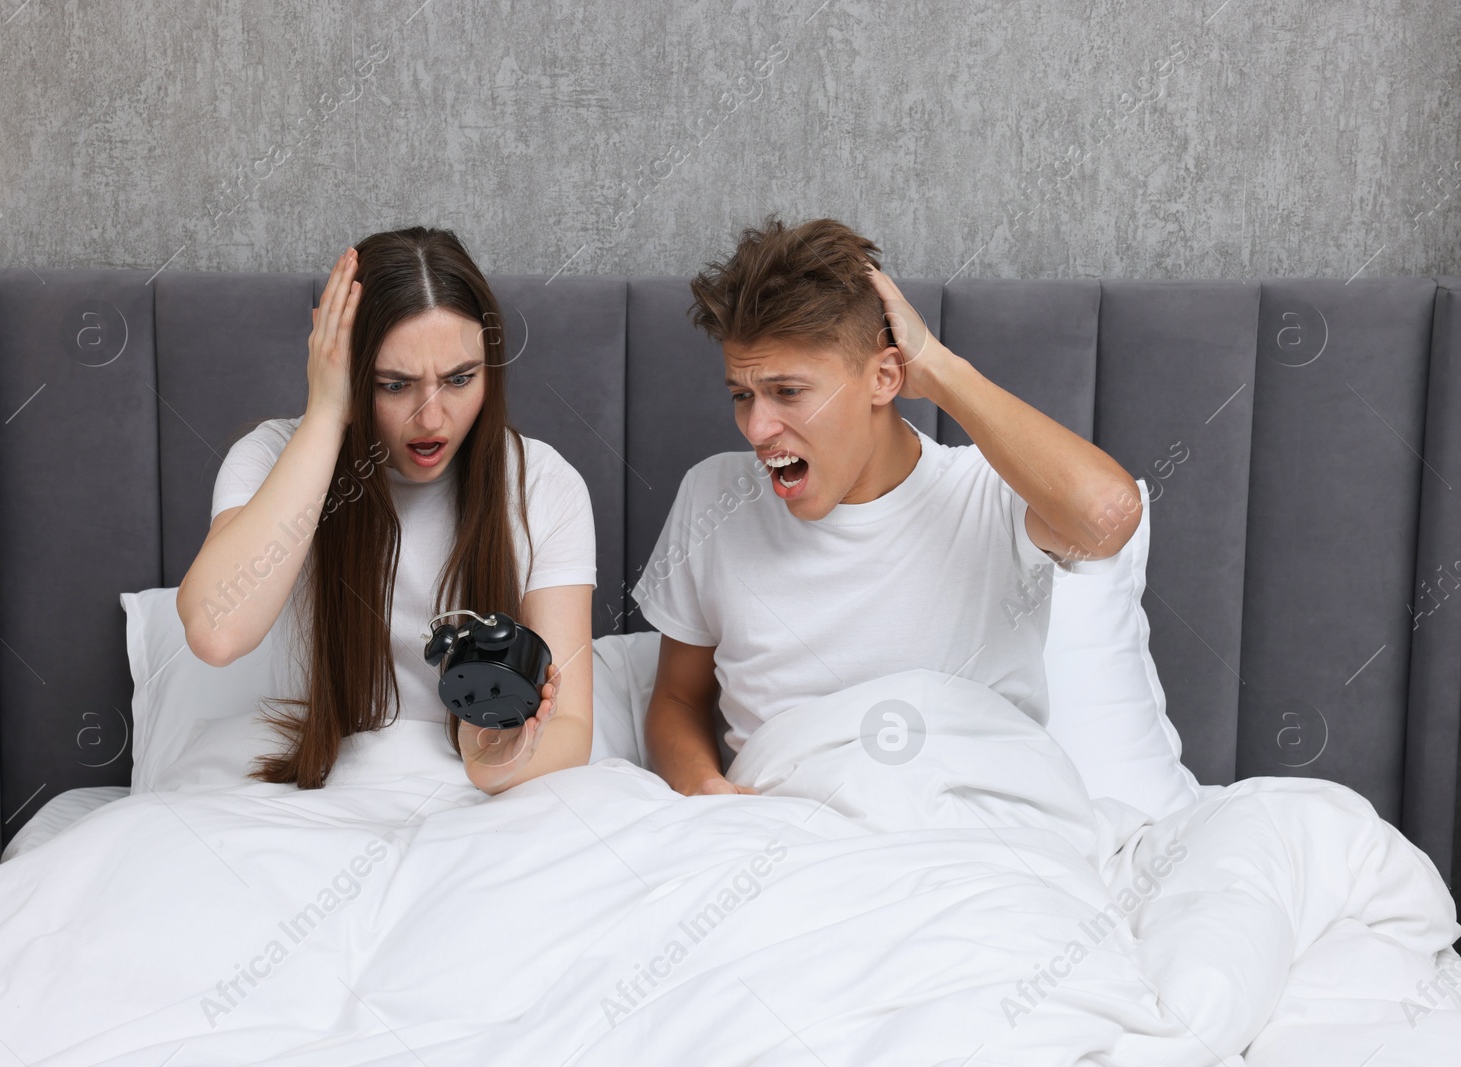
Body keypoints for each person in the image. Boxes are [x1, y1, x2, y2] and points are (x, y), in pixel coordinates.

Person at [633, 217, 1141, 796]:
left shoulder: (989, 492)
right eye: (742, 395)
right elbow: (678, 696)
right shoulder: (713, 497)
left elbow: (1107, 517)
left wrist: (943, 370)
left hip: (977, 823)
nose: (757, 427)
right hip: (785, 835)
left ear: (885, 378)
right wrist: (706, 789)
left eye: (788, 392)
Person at [178, 227, 595, 794]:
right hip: (319, 783)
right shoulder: (271, 458)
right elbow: (216, 631)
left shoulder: (544, 485)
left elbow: (569, 724)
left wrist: (494, 763)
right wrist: (326, 413)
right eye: (394, 385)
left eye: (459, 379)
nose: (431, 419)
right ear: (347, 371)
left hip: (471, 797)